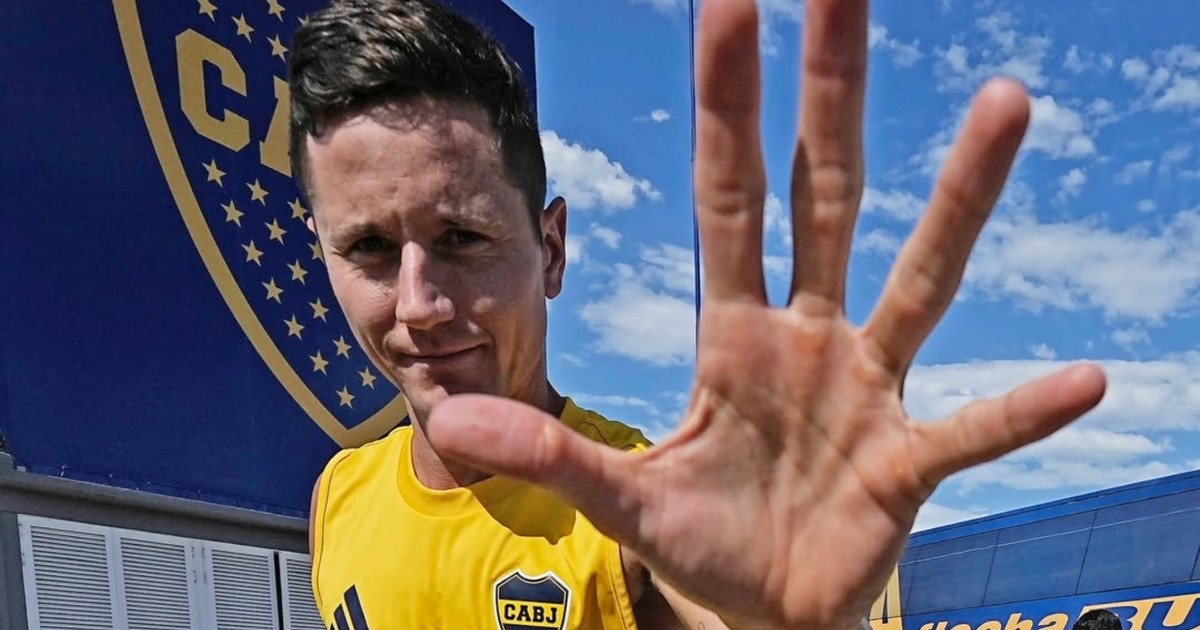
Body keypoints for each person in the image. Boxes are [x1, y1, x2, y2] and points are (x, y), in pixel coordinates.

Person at [289, 0, 1109, 627]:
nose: (420, 304)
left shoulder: (644, 515)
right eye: (369, 248)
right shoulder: (339, 498)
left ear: (552, 250)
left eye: (463, 237)